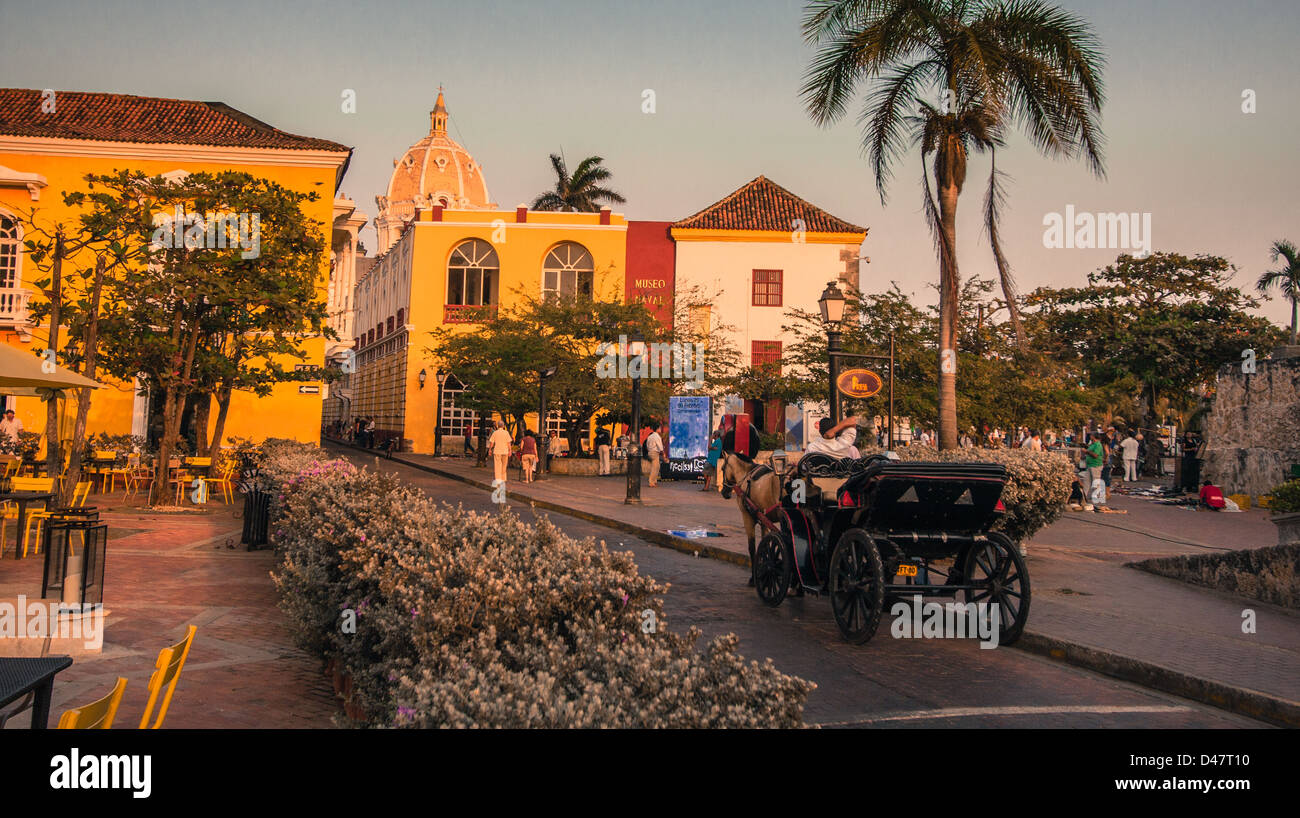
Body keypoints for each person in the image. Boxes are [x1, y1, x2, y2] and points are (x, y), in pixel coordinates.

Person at [487, 420, 513, 485]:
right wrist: (510, 450)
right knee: (504, 465)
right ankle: (503, 478)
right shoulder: (506, 433)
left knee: (497, 465)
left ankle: (498, 478)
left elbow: (492, 442)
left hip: (497, 451)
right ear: (503, 426)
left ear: (498, 426)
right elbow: (509, 443)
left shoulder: (495, 433)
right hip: (505, 451)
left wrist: (490, 449)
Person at [1085, 432, 1106, 508]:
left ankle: (1097, 498)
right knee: (1086, 482)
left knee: (1096, 482)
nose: (1090, 436)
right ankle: (1084, 497)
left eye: (1091, 435)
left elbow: (1095, 455)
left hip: (1096, 465)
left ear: (1093, 436)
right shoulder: (1092, 444)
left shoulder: (1098, 445)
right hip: (1089, 465)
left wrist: (1087, 452)